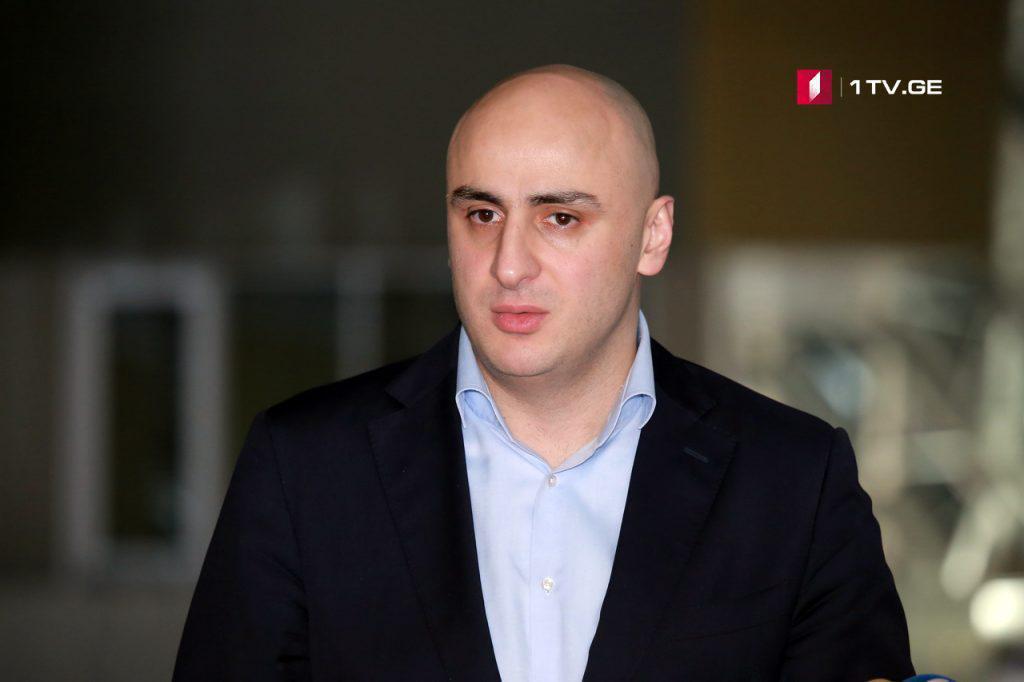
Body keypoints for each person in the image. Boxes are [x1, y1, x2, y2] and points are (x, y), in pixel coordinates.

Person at [173, 64, 915, 681]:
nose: (509, 265)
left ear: (652, 235)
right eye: (482, 215)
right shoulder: (306, 465)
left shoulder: (793, 479)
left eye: (560, 218)